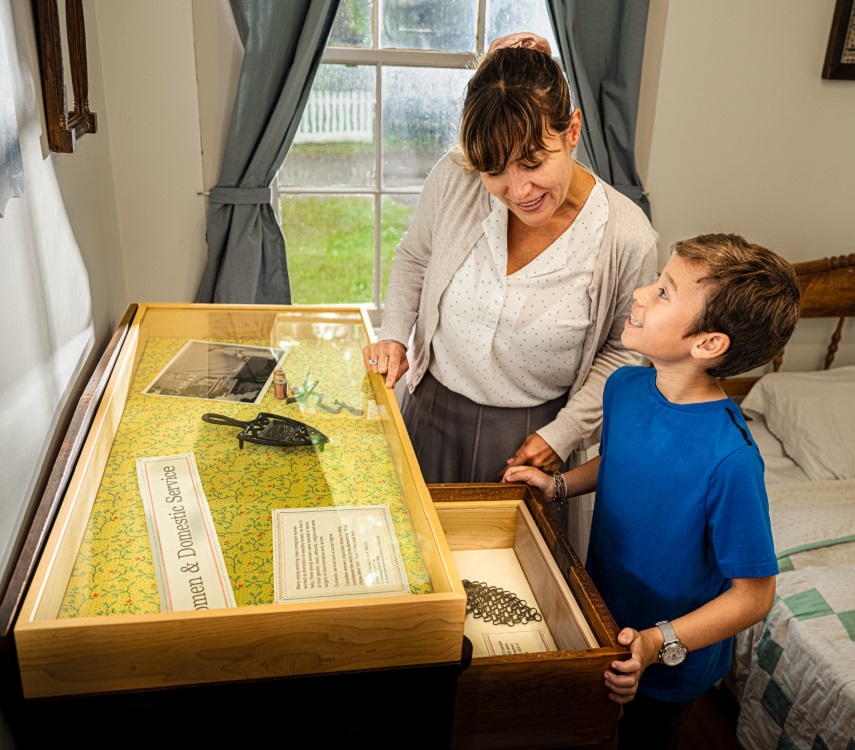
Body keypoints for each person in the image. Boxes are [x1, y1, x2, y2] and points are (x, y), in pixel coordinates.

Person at [504, 234, 801, 748]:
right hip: (604, 614)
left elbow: (755, 596)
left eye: (664, 291)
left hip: (666, 663)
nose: (640, 293)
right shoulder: (626, 386)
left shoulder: (731, 460)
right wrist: (558, 485)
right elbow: (621, 461)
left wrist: (654, 642)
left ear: (708, 344)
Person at [362, 33, 657, 486]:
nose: (519, 192)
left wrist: (565, 433)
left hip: (535, 437)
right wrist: (395, 336)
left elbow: (623, 351)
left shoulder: (625, 235)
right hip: (431, 411)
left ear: (572, 131)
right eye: (495, 171)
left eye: (534, 162)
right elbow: (416, 258)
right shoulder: (454, 178)